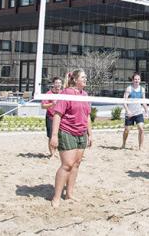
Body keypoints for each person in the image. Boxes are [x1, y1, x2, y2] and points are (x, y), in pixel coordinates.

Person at [50, 70, 92, 208]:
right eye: (83, 77)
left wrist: (90, 134)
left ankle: (69, 194)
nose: (85, 79)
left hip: (81, 133)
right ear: (75, 79)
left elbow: (87, 116)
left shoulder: (85, 95)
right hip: (67, 131)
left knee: (76, 164)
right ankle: (56, 197)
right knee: (67, 164)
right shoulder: (66, 93)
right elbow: (57, 115)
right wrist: (54, 136)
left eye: (86, 77)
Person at [121, 72, 149, 150]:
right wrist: (128, 111)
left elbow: (143, 101)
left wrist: (146, 111)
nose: (137, 80)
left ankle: (141, 147)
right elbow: (124, 101)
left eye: (138, 79)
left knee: (141, 128)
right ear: (132, 80)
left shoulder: (142, 89)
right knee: (127, 130)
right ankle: (123, 144)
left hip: (138, 113)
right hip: (129, 113)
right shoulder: (129, 89)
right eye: (135, 79)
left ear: (140, 80)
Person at [41, 77, 63, 157]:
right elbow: (43, 106)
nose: (58, 85)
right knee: (51, 136)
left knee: (60, 136)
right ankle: (52, 154)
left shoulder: (63, 93)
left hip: (61, 118)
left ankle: (59, 153)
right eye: (56, 83)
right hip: (51, 117)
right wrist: (52, 104)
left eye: (60, 83)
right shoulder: (48, 94)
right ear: (53, 84)